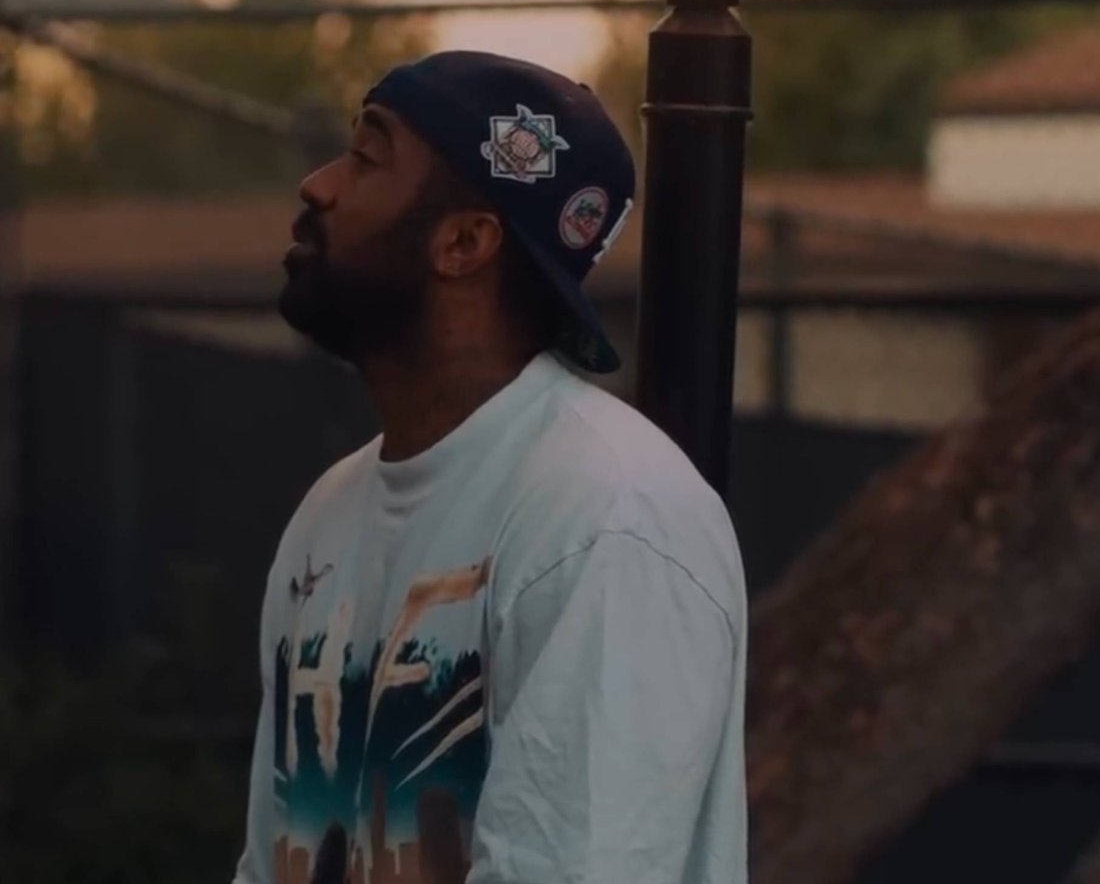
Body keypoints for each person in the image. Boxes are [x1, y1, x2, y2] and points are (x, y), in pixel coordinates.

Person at [231, 51, 748, 884]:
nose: (318, 185)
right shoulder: (329, 513)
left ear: (465, 242)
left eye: (365, 157)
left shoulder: (608, 518)